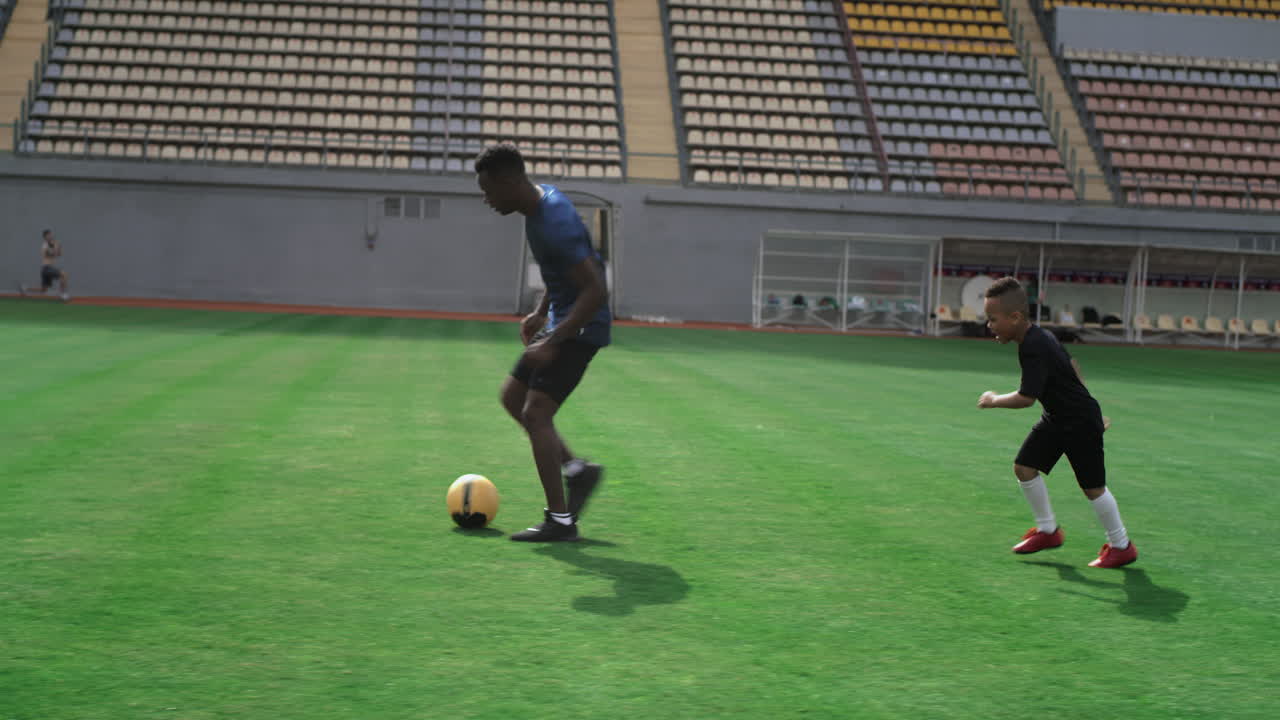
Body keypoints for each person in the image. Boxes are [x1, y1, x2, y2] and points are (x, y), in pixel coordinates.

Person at [475, 144, 610, 542]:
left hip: (582, 325)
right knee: (513, 398)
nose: (487, 200)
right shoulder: (539, 204)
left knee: (535, 413)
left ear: (510, 181)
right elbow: (561, 272)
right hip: (562, 318)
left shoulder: (553, 221)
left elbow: (595, 291)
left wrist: (554, 340)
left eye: (488, 190)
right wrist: (540, 311)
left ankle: (561, 521)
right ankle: (577, 472)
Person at [977, 277, 1137, 568]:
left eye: (993, 319)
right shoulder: (1037, 336)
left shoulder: (1034, 345)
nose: (989, 325)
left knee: (1093, 487)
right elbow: (1072, 366)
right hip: (1058, 419)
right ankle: (1048, 530)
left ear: (1015, 317)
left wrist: (993, 400)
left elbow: (1026, 397)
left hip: (1077, 422)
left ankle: (1121, 545)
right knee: (1024, 467)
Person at [18, 229, 70, 302]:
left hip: (48, 269)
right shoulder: (44, 245)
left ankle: (25, 288)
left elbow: (59, 254)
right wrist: (55, 249)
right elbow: (47, 254)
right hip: (46, 268)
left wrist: (59, 248)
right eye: (48, 235)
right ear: (45, 237)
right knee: (64, 275)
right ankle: (63, 294)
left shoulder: (54, 244)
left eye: (51, 235)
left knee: (44, 290)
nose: (50, 236)